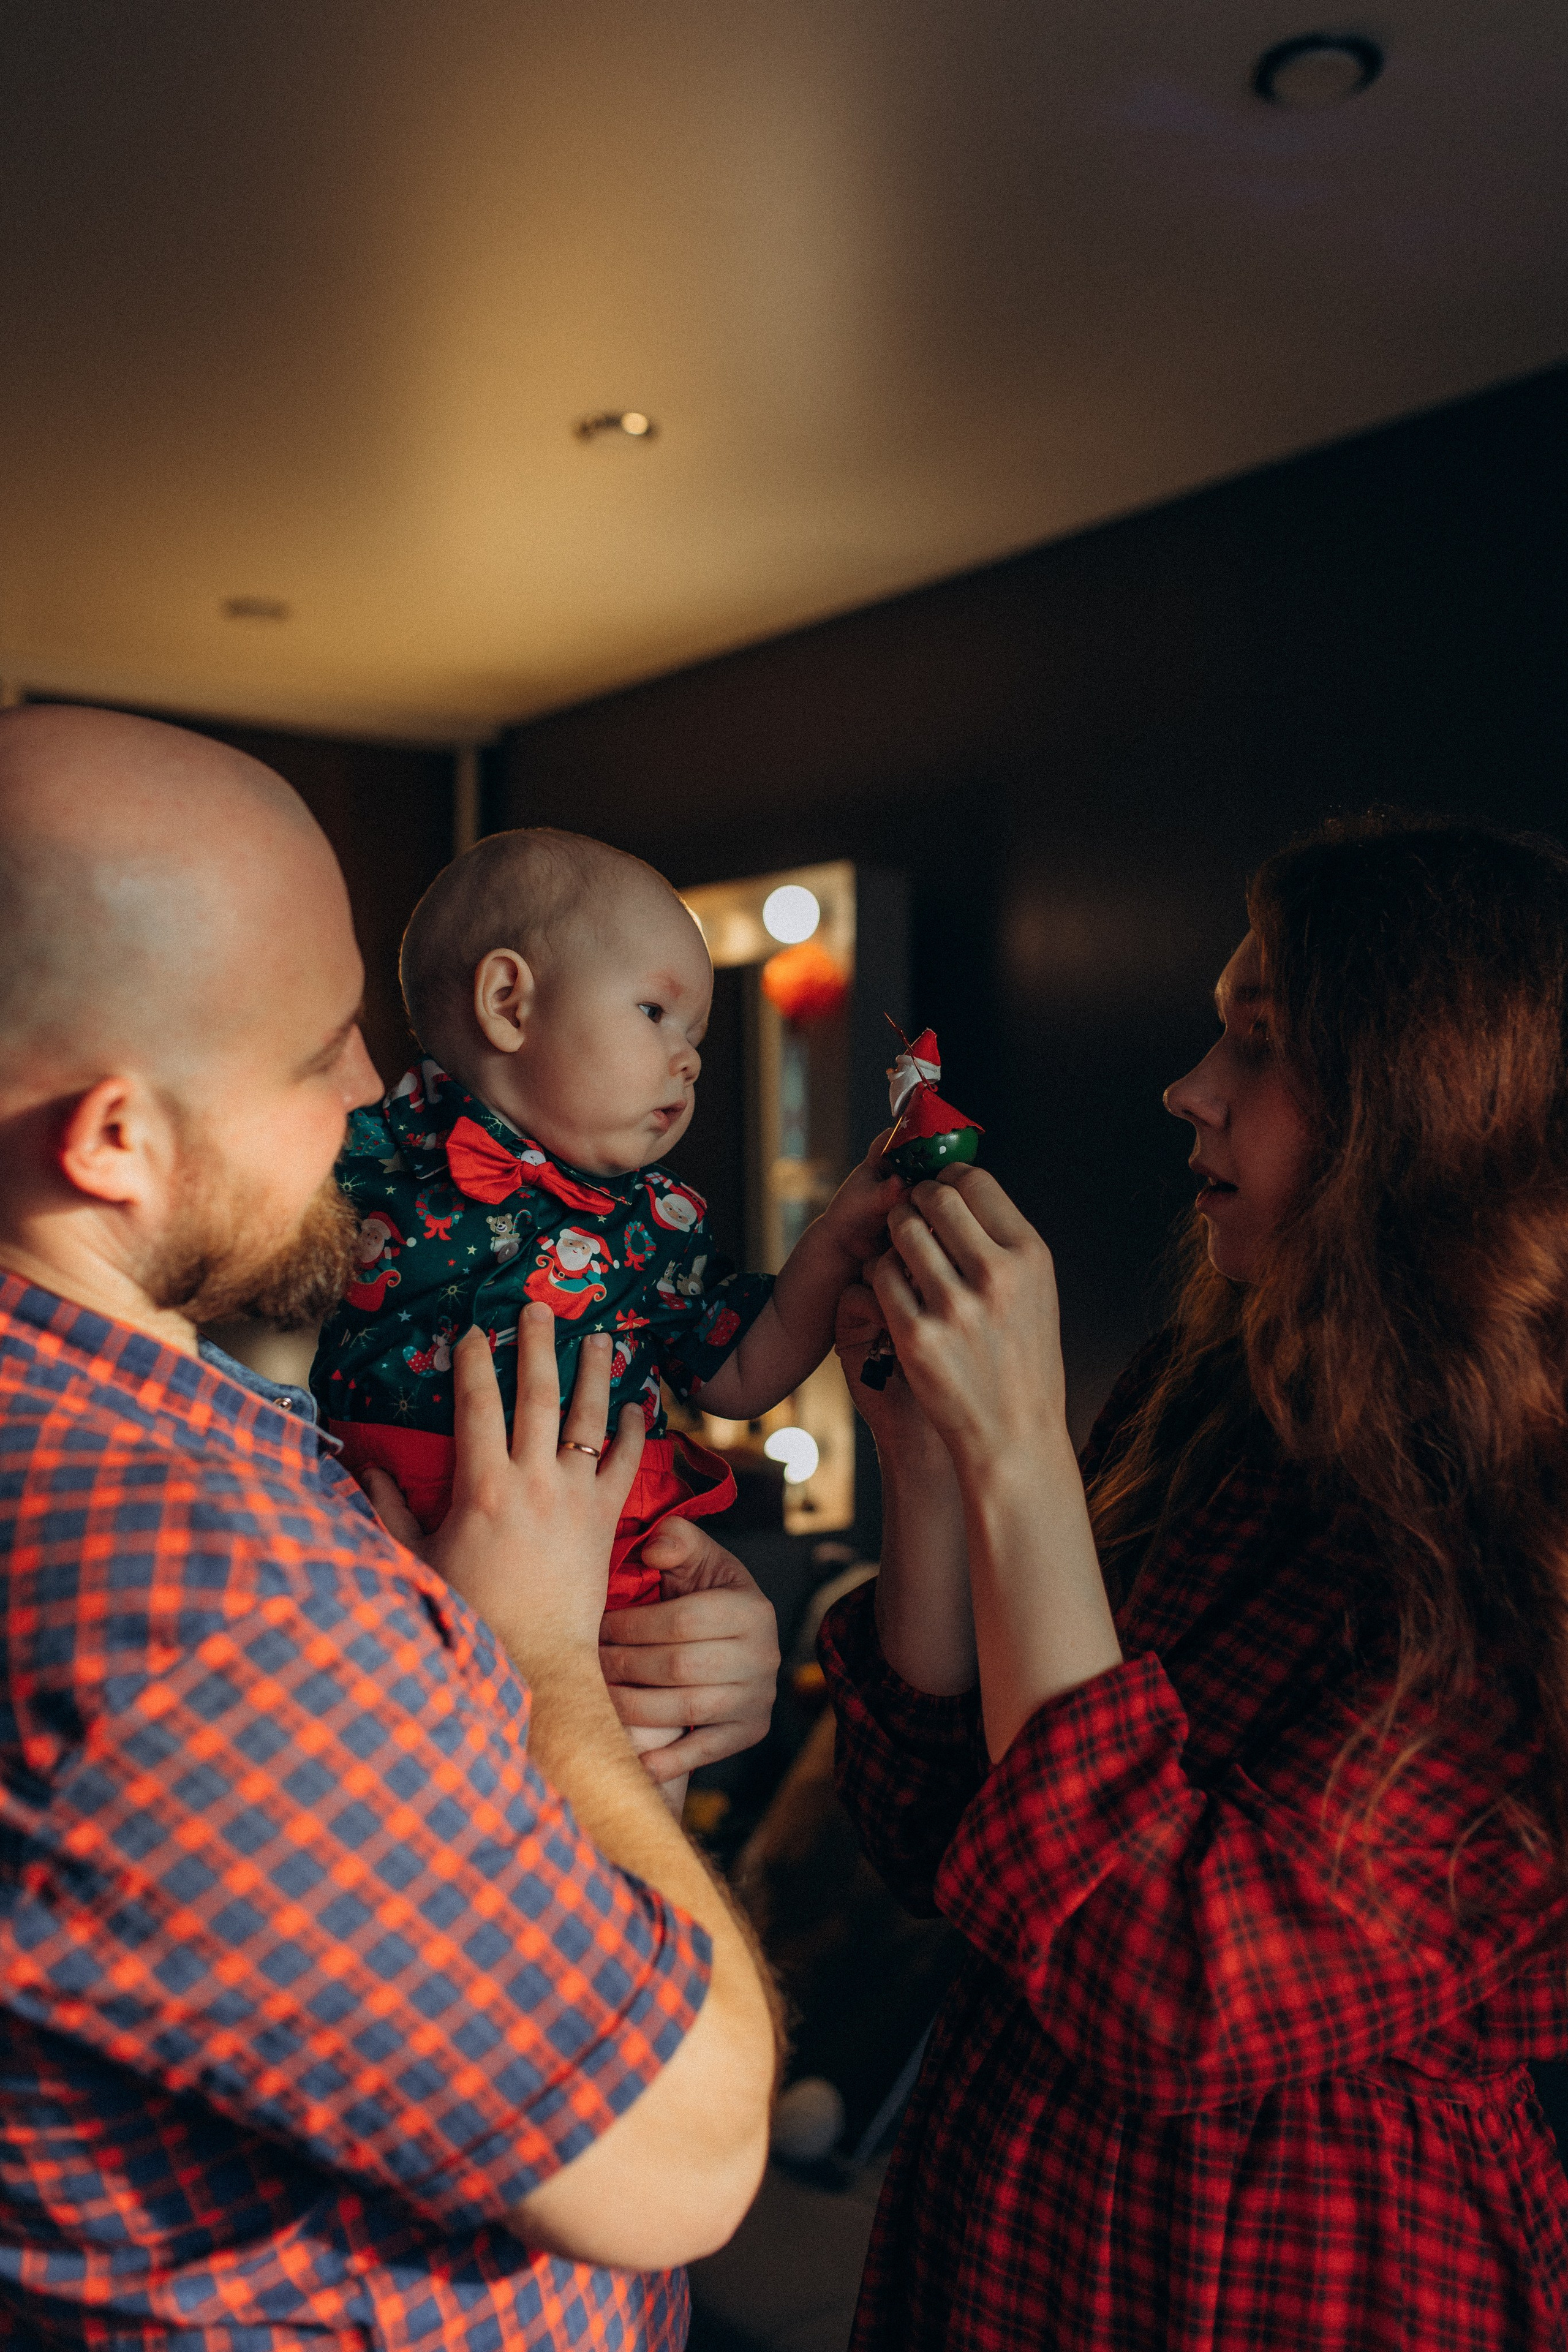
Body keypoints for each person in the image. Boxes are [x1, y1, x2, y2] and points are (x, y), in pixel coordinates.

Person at [0, 704, 782, 2350]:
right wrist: (541, 1657)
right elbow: (685, 2158)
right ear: (116, 1140)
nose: (374, 1088)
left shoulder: (166, 1439)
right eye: (318, 1053)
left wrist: (588, 1666)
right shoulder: (196, 1599)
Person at [821, 816, 1568, 2350]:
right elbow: (940, 1841)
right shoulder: (1209, 1395)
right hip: (999, 2229)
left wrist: (1020, 1442)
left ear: (1421, 1108)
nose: (1187, 1087)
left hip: (1295, 2269)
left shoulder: (1528, 1536)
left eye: (1259, 1042)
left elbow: (1167, 1989)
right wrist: (928, 1459)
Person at [316, 829, 899, 1707]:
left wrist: (835, 1243)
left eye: (695, 1035)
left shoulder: (655, 1224)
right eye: (655, 1012)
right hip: (371, 1537)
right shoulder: (362, 1151)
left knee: (643, 1737)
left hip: (602, 1559)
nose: (689, 1058)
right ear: (509, 1003)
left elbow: (740, 1372)